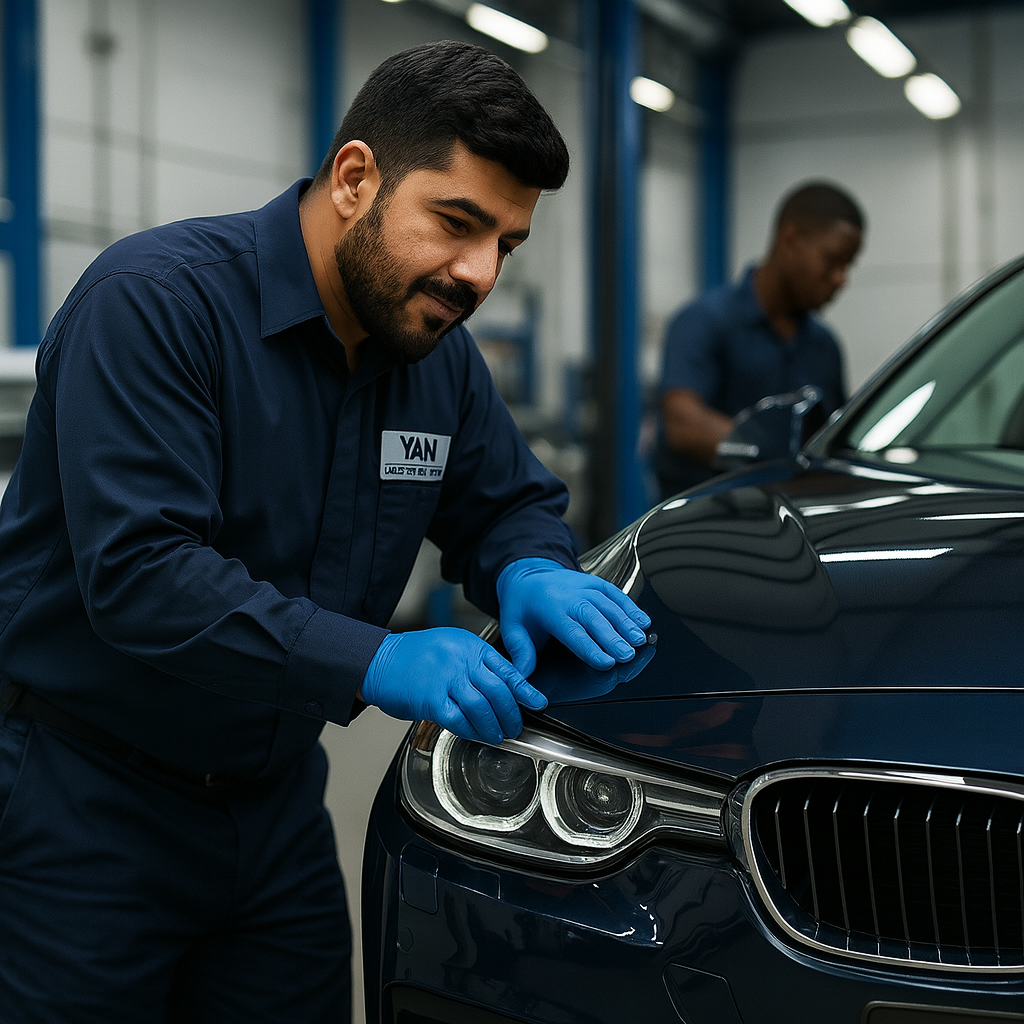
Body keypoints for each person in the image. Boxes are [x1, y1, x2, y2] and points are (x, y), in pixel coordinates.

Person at [0, 41, 651, 1023]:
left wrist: (527, 565)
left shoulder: (433, 356)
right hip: (83, 804)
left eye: (505, 245)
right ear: (355, 178)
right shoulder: (157, 304)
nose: (477, 274)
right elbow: (142, 574)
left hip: (272, 815)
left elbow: (506, 498)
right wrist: (374, 657)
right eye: (457, 222)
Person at [654, 181, 865, 498]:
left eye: (848, 265)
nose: (840, 279)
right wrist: (782, 457)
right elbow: (684, 424)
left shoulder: (824, 346)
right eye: (832, 261)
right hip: (703, 527)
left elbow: (834, 439)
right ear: (791, 238)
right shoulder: (703, 322)